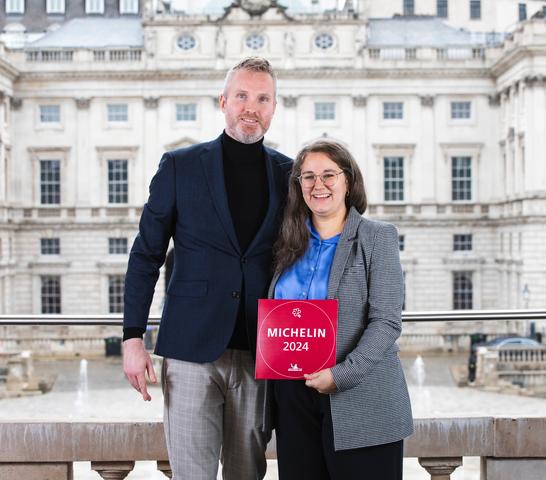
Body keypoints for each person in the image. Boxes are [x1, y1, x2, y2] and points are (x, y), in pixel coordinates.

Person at [122, 57, 292, 480]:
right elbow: (146, 255)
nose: (251, 107)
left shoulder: (289, 174)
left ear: (274, 108)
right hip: (190, 348)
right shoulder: (179, 165)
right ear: (223, 101)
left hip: (261, 350)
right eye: (242, 96)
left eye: (262, 99)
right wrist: (132, 338)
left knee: (246, 474)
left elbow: (308, 255)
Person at [268, 140, 413, 480]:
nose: (318, 185)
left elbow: (386, 322)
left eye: (328, 175)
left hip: (360, 398)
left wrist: (341, 375)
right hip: (293, 399)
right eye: (308, 176)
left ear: (348, 181)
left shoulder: (377, 237)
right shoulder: (286, 241)